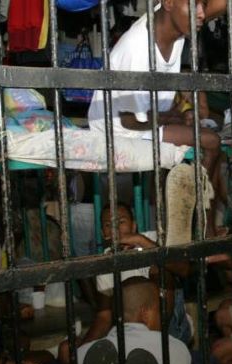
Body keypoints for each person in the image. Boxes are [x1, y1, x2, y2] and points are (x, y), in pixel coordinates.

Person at [87, 0, 222, 235]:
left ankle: (198, 219)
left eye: (203, 5)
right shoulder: (137, 49)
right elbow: (132, 121)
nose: (201, 14)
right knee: (210, 141)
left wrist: (182, 113)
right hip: (120, 126)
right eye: (194, 5)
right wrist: (177, 118)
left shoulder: (175, 29)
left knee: (204, 130)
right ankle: (205, 227)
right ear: (168, 3)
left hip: (144, 116)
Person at [57, 202, 191, 364]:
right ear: (102, 232)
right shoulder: (106, 261)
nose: (115, 229)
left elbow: (184, 269)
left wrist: (141, 241)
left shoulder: (153, 239)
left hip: (170, 327)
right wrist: (82, 352)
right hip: (132, 331)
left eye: (121, 222)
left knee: (159, 268)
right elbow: (104, 316)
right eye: (108, 225)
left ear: (134, 225)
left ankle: (160, 348)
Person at [60, 277, 191, 364]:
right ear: (145, 313)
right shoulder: (177, 349)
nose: (162, 316)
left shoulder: (83, 355)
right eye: (158, 311)